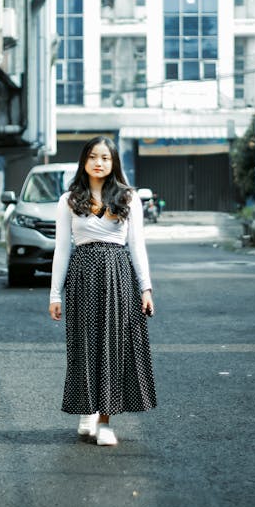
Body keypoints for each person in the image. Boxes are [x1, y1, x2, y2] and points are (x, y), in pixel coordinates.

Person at [48, 136, 157, 446]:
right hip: (82, 277)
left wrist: (145, 287)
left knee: (113, 345)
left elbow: (137, 245)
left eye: (106, 158)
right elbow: (62, 250)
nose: (99, 162)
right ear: (84, 160)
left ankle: (106, 419)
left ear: (113, 163)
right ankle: (88, 410)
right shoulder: (68, 200)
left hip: (118, 277)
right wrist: (55, 294)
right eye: (94, 157)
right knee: (84, 343)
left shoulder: (128, 198)